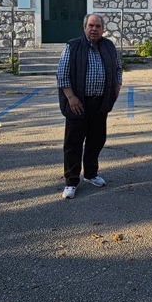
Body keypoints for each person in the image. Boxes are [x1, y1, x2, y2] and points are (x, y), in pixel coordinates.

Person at [56, 13, 123, 199]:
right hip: (78, 104)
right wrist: (71, 97)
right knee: (73, 144)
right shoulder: (73, 46)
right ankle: (71, 181)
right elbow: (62, 73)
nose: (94, 29)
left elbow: (118, 69)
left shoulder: (109, 46)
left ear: (103, 29)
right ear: (84, 27)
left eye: (98, 26)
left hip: (100, 103)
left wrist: (116, 88)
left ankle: (91, 174)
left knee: (96, 140)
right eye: (91, 26)